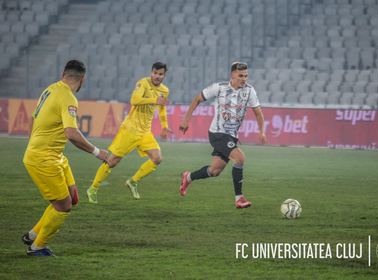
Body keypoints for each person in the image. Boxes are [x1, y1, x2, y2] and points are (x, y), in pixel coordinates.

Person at [22, 60, 108, 256]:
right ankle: (37, 247)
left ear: (64, 73)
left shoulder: (50, 89)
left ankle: (33, 234)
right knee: (63, 206)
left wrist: (32, 145)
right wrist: (98, 152)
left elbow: (33, 118)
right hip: (44, 159)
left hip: (55, 156)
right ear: (82, 79)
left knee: (73, 198)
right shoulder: (69, 98)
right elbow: (71, 133)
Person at [179, 62, 266, 208]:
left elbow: (258, 113)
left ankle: (188, 177)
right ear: (232, 75)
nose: (244, 79)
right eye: (240, 76)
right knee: (239, 158)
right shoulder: (219, 88)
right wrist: (186, 120)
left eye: (246, 76)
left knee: (214, 171)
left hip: (231, 136)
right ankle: (239, 198)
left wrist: (262, 131)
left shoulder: (250, 91)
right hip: (217, 133)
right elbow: (197, 99)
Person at [86, 62, 171, 204]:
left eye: (160, 74)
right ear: (151, 72)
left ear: (164, 75)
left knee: (157, 158)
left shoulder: (164, 90)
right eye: (155, 73)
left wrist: (164, 126)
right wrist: (154, 99)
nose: (157, 76)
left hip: (145, 132)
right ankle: (93, 189)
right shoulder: (142, 83)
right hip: (130, 130)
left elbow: (162, 107)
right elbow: (134, 100)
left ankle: (133, 181)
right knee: (112, 161)